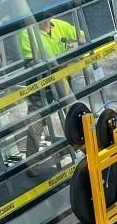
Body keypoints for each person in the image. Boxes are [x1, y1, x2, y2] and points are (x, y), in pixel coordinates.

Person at [19, 18, 83, 177]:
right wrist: (55, 63)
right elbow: (30, 62)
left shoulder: (60, 25)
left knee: (73, 113)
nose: (44, 21)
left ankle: (82, 147)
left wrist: (76, 44)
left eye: (46, 18)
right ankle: (32, 164)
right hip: (40, 82)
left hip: (61, 76)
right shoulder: (26, 33)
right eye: (40, 18)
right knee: (36, 120)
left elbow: (81, 36)